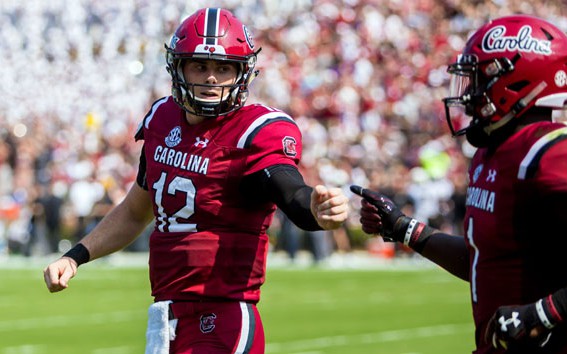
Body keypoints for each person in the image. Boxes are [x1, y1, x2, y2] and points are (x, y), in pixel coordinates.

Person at [43, 7, 349, 354]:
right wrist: (75, 256)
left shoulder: (255, 130)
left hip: (223, 316)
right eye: (200, 65)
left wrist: (313, 208)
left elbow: (288, 188)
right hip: (166, 315)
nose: (212, 77)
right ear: (178, 67)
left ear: (242, 73)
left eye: (223, 67)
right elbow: (134, 212)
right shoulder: (162, 118)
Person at [351, 14, 567, 354]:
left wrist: (548, 311)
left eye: (479, 78)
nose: (470, 93)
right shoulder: (491, 154)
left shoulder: (551, 151)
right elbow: (485, 261)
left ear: (517, 81)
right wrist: (403, 227)